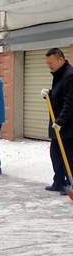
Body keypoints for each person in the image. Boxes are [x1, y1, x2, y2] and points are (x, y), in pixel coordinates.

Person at [41, 48, 73, 196]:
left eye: (51, 62)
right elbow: (60, 95)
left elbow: (70, 102)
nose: (49, 65)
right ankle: (59, 182)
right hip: (59, 125)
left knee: (69, 156)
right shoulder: (60, 75)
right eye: (47, 63)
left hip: (68, 126)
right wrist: (49, 93)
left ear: (61, 59)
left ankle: (69, 183)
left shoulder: (69, 76)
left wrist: (60, 121)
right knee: (56, 154)